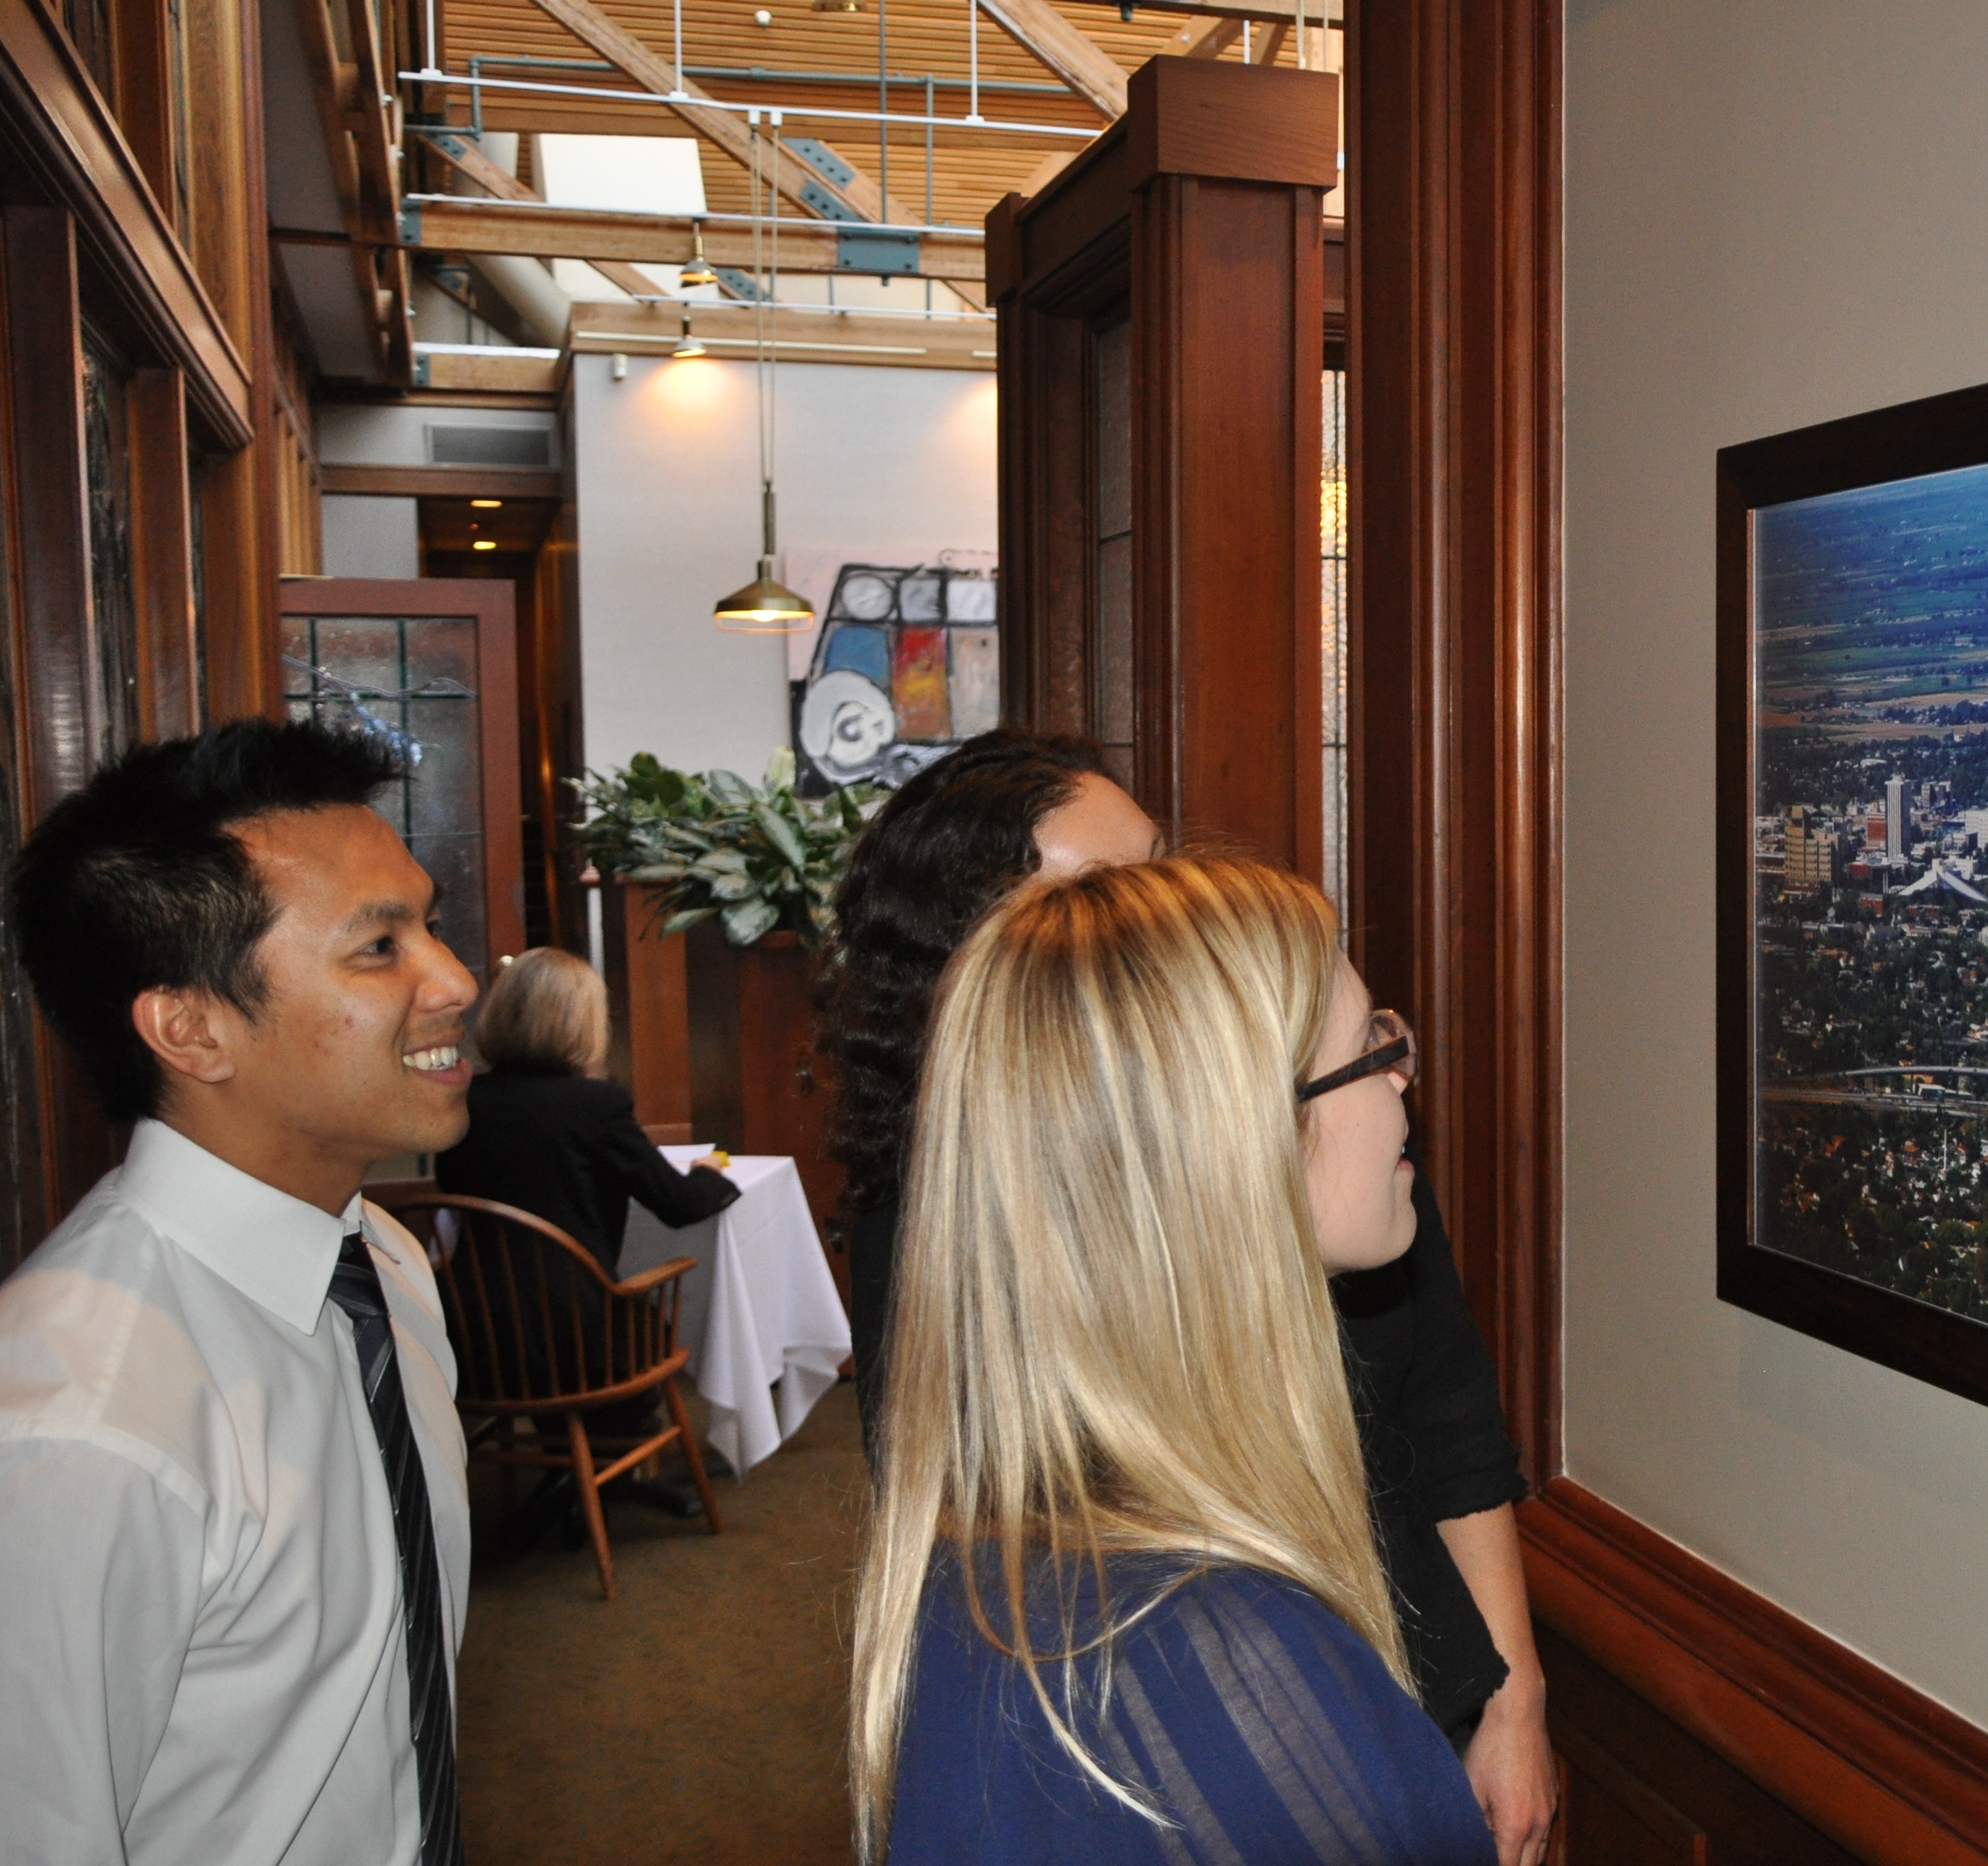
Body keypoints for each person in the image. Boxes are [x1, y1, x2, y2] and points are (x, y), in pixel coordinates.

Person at [814, 731, 1557, 1863]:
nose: (1405, 1075)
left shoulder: (1068, 1595)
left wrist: (1514, 1699)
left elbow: (1452, 1420)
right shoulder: (1228, 1653)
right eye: (1370, 1052)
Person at [0, 720, 478, 1866]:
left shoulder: (385, 1264)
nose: (456, 980)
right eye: (379, 947)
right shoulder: (79, 1424)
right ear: (192, 1027)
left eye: (432, 924)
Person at [431, 946, 738, 1517]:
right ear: (583, 1023)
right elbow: (677, 1206)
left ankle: (572, 1465)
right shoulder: (595, 1106)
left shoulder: (462, 1100)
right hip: (575, 1345)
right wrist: (711, 1175)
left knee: (582, 1309)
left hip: (473, 1336)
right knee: (639, 1321)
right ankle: (609, 1465)